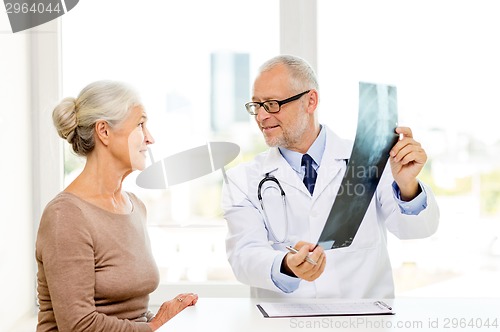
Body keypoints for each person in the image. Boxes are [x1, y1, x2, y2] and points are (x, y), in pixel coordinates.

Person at [222, 55, 440, 298]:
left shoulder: (371, 159)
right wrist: (287, 264)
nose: (262, 116)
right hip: (286, 321)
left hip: (364, 322)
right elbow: (244, 255)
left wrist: (407, 184)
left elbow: (417, 229)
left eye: (272, 104)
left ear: (310, 101)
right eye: (256, 106)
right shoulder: (241, 180)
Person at [36, 80, 198, 332]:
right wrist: (155, 326)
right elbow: (78, 326)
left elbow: (131, 314)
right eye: (140, 124)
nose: (150, 138)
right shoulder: (66, 216)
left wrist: (166, 317)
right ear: (104, 131)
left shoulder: (134, 206)